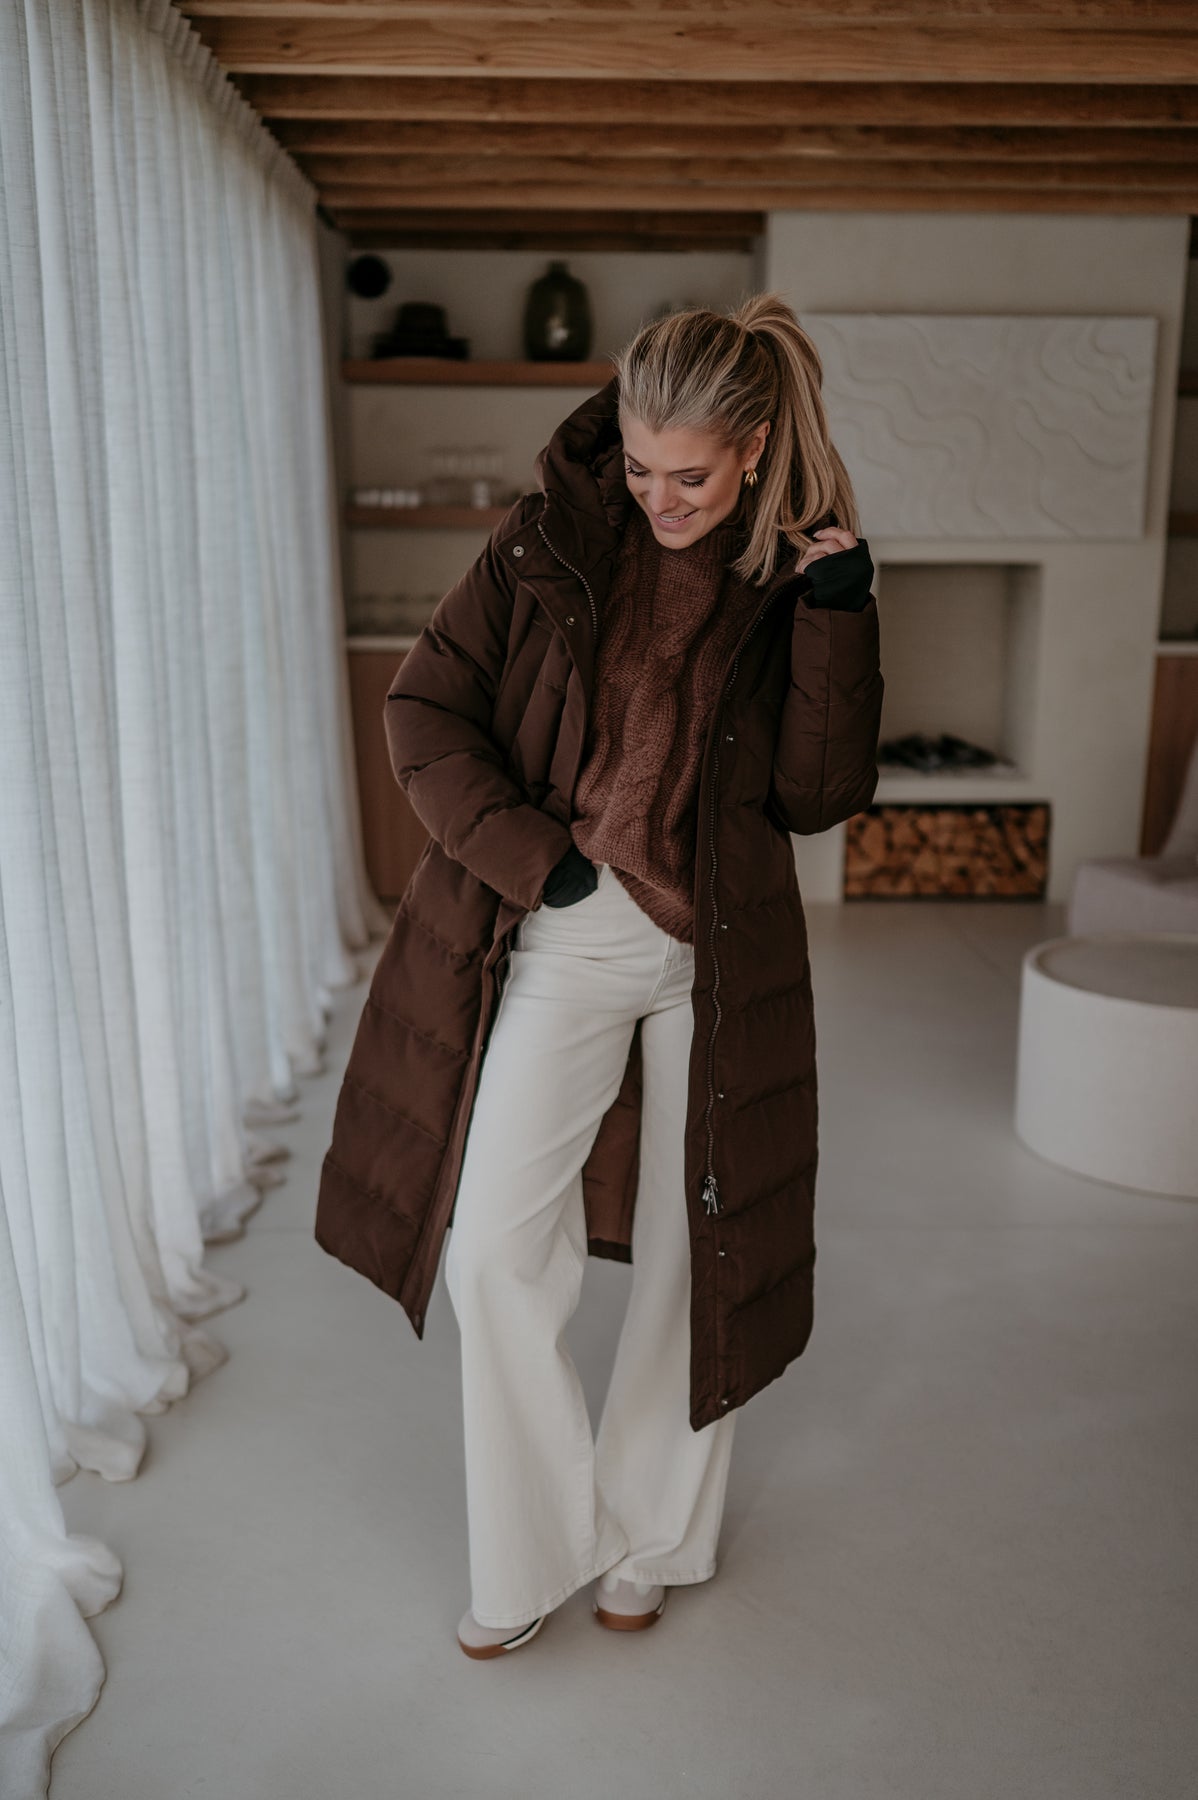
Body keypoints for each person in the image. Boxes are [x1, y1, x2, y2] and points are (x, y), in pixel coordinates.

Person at [312, 291, 884, 1661]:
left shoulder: (796, 575)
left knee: (700, 1258)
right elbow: (422, 710)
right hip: (568, 930)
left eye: (689, 477)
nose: (659, 499)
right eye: (639, 468)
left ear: (752, 448)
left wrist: (840, 617)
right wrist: (544, 867)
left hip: (717, 957)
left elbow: (816, 798)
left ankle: (651, 1542)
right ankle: (528, 1552)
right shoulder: (546, 540)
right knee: (495, 1249)